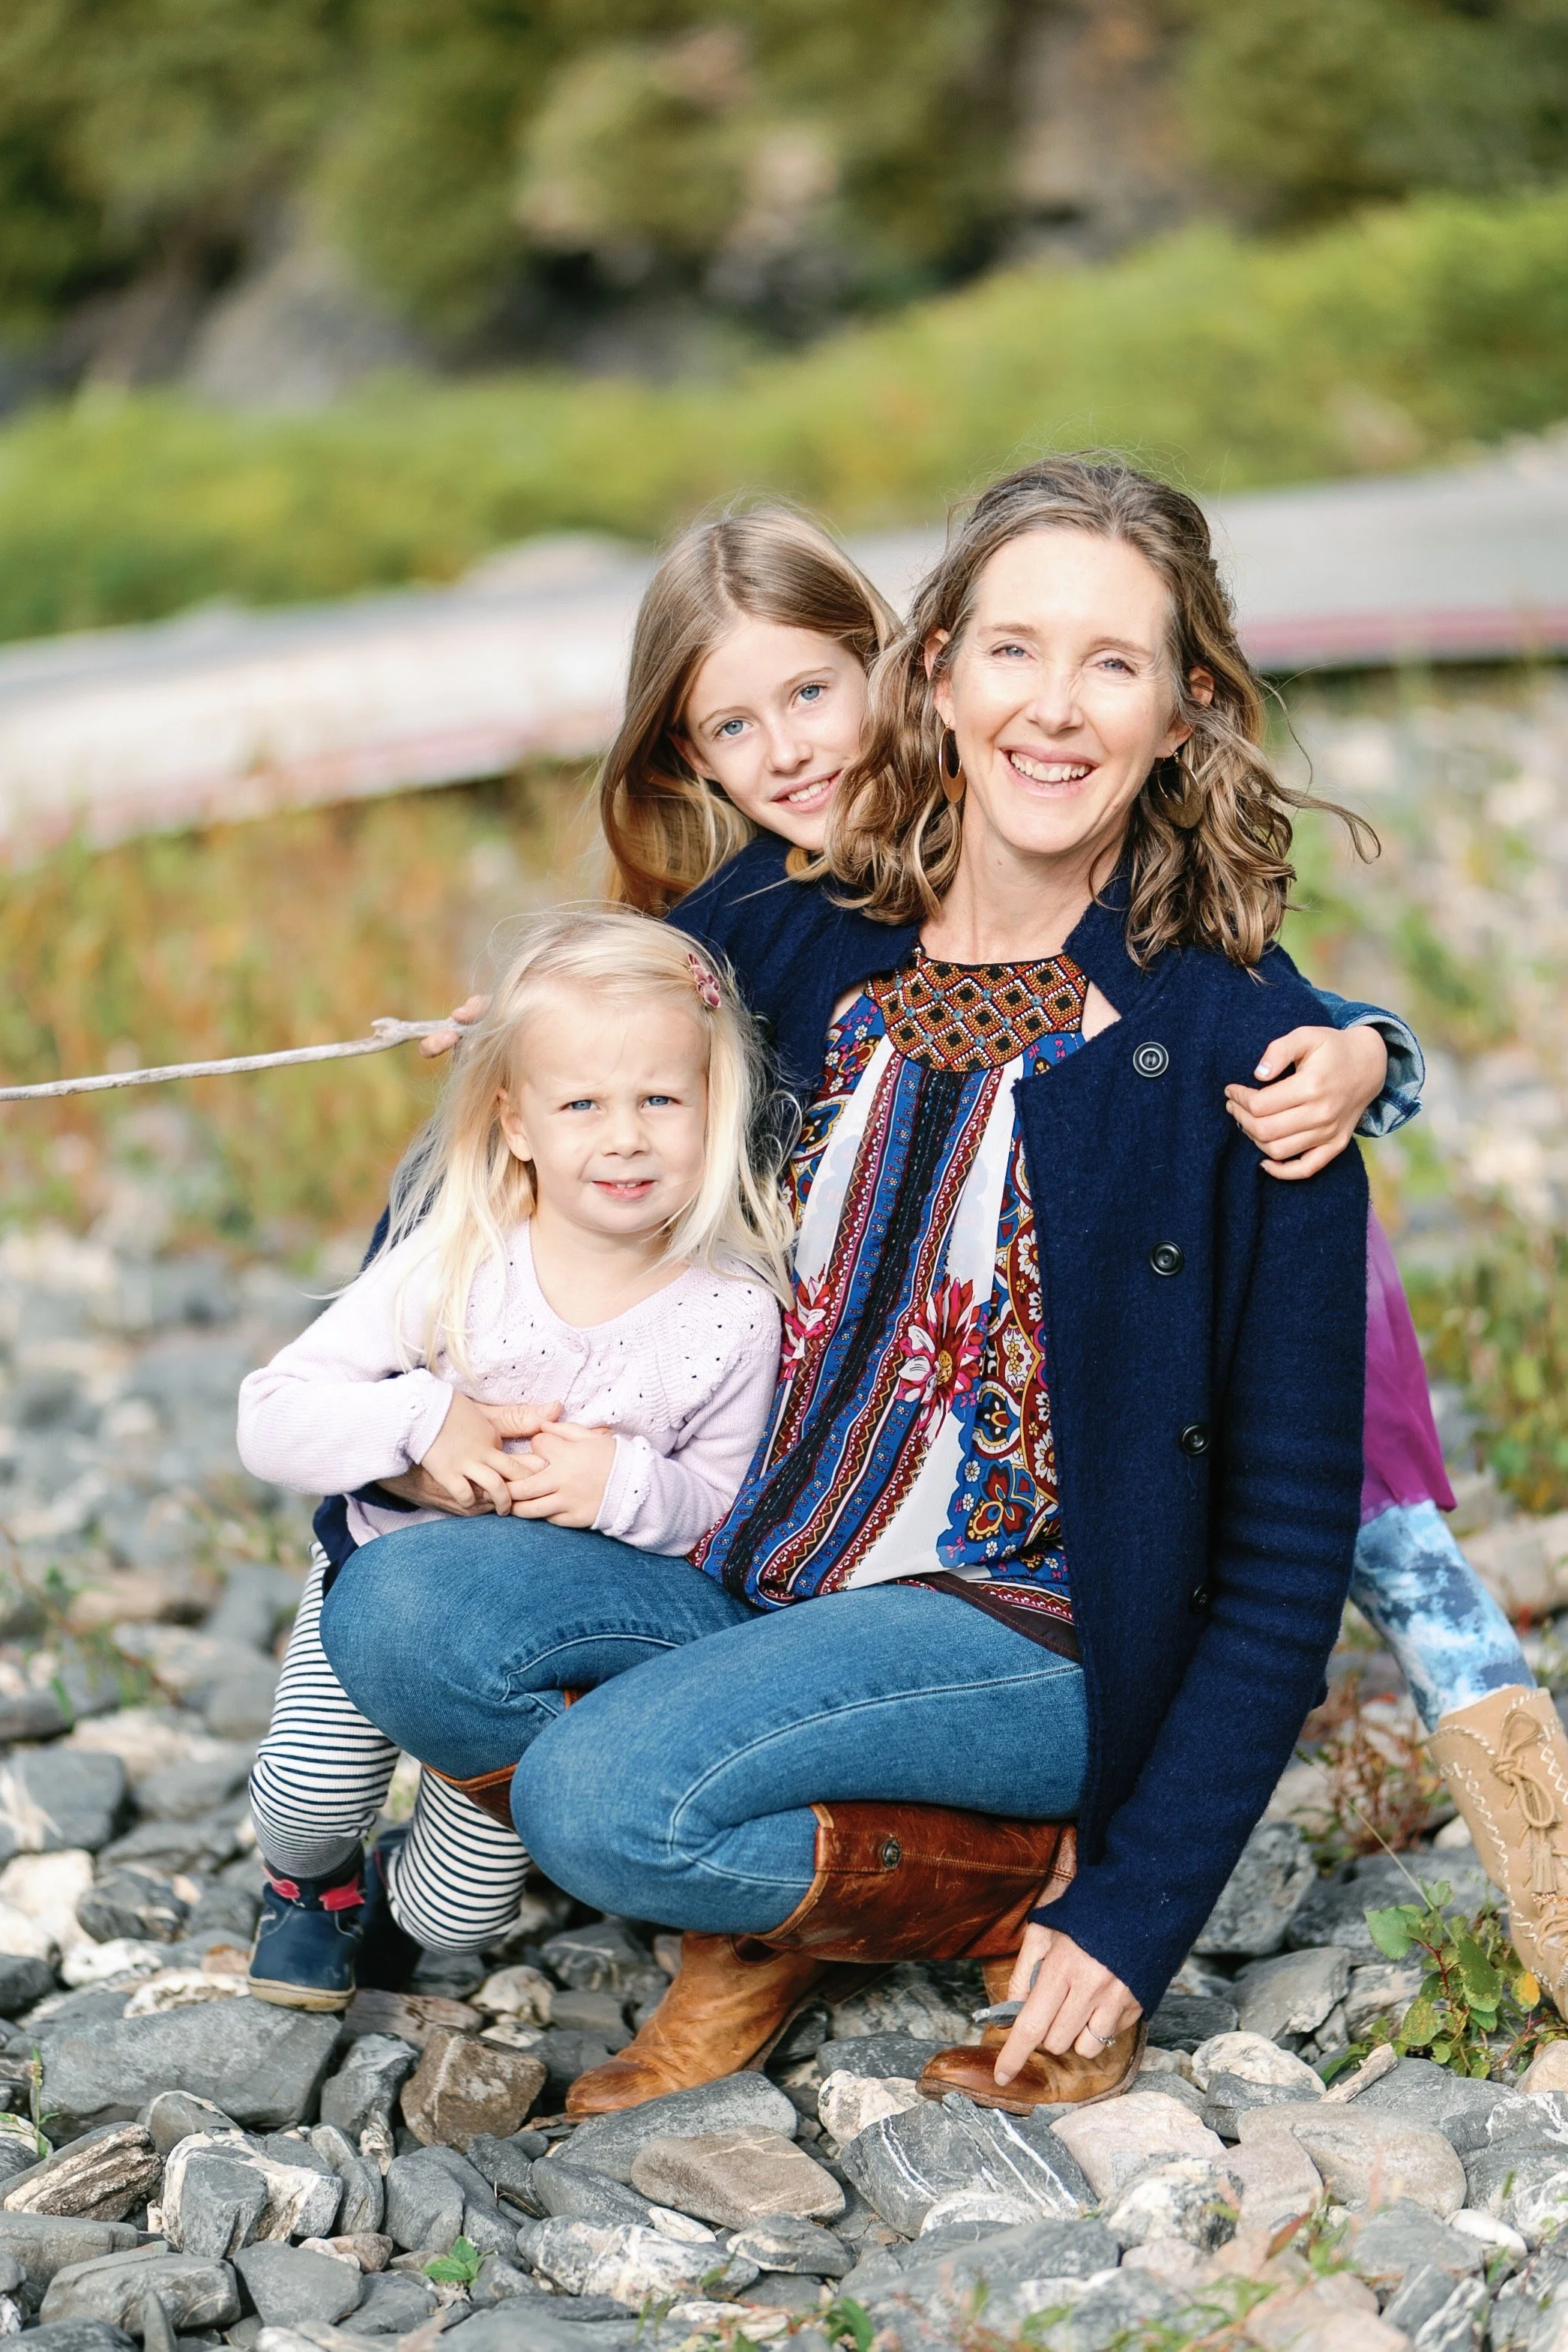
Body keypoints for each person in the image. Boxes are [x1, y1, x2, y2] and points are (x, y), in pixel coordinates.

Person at [320, 454, 1378, 2117]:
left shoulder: (1247, 1057)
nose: (1054, 707)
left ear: (1180, 713)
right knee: (397, 1609)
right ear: (935, 671)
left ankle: (1001, 1881)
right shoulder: (799, 931)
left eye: (1114, 663)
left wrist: (1138, 1907)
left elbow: (1286, 1544)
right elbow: (562, 1070)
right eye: (1013, 650)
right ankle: (785, 1841)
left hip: (1034, 1633)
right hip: (763, 1558)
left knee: (605, 1802)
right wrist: (405, 1418)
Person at [234, 910, 787, 2009]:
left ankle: (392, 1896)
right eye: (581, 1103)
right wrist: (420, 1420)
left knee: (458, 1917)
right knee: (301, 1798)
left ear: (714, 1109)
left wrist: (622, 1486)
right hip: (380, 1567)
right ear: (518, 1122)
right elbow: (270, 1413)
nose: (623, 1137)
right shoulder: (458, 1256)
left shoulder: (734, 1313)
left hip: (534, 1648)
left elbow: (724, 1514)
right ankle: (314, 1887)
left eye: (660, 1100)